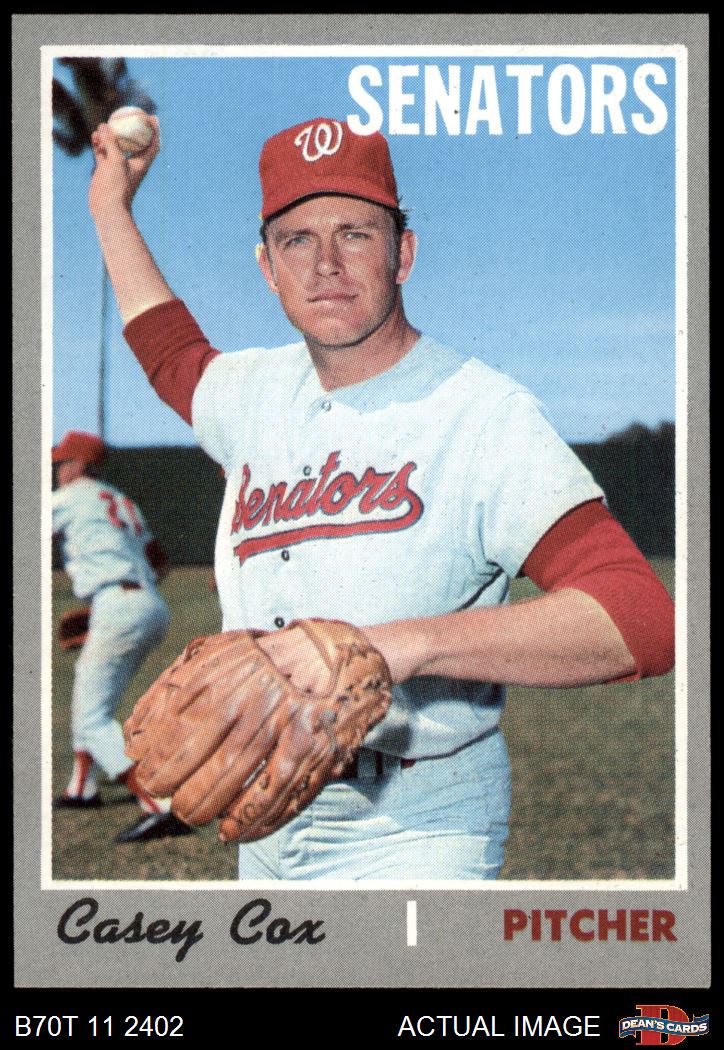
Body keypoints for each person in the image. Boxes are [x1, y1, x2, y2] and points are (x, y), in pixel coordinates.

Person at [85, 114, 674, 878]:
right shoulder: (250, 393)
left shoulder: (482, 413)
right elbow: (166, 347)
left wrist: (397, 645)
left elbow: (640, 619)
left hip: (417, 824)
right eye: (298, 240)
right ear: (267, 268)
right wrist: (110, 203)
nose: (326, 264)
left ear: (404, 253)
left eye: (356, 233)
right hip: (265, 815)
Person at [52, 430, 192, 843]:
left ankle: (159, 805)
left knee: (92, 717)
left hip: (117, 603)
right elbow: (159, 563)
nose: (58, 470)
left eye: (61, 462)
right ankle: (81, 788)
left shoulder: (69, 497)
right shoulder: (121, 500)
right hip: (147, 603)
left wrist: (110, 599)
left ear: (78, 464)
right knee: (90, 695)